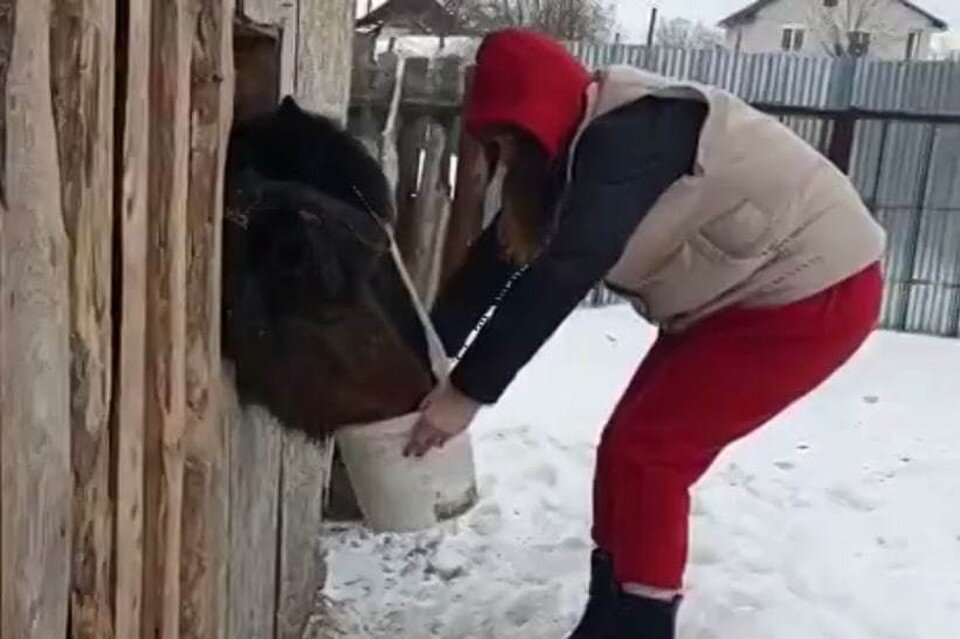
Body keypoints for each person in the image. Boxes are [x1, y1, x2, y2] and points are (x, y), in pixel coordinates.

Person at [403, 29, 886, 638]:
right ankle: (611, 613)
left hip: (812, 292)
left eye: (509, 138)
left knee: (651, 455)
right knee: (628, 446)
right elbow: (497, 260)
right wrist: (426, 351)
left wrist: (465, 393)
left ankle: (638, 625)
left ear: (540, 117)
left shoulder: (627, 138)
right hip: (736, 299)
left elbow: (564, 270)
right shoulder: (570, 151)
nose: (504, 153)